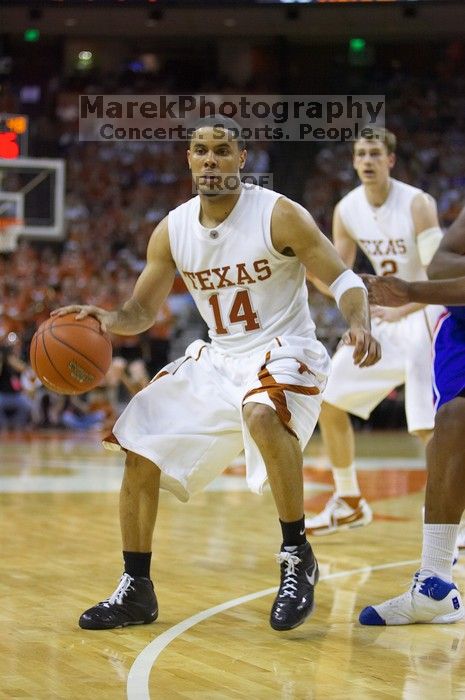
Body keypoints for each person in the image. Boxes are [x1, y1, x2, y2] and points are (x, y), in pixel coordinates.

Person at [52, 116, 380, 632]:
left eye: (221, 150)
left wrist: (359, 321)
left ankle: (297, 555)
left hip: (285, 347)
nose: (210, 160)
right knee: (137, 443)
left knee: (261, 413)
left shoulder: (278, 214)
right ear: (188, 158)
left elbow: (340, 277)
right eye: (200, 150)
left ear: (242, 158)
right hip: (220, 357)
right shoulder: (174, 228)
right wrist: (107, 319)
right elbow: (142, 310)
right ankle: (136, 588)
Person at [305, 128, 444, 536]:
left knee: (426, 426)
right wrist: (311, 273)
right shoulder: (347, 209)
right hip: (382, 315)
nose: (367, 160)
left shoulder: (419, 204)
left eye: (374, 153)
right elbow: (339, 276)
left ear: (390, 160)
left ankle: (449, 519)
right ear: (353, 161)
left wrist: (407, 304)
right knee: (329, 400)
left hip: (425, 312)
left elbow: (440, 275)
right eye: (360, 154)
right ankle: (348, 501)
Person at [358, 204, 465, 625]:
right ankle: (435, 583)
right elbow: (440, 264)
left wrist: (412, 292)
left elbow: (435, 277)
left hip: (438, 307)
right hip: (460, 328)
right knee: (452, 422)